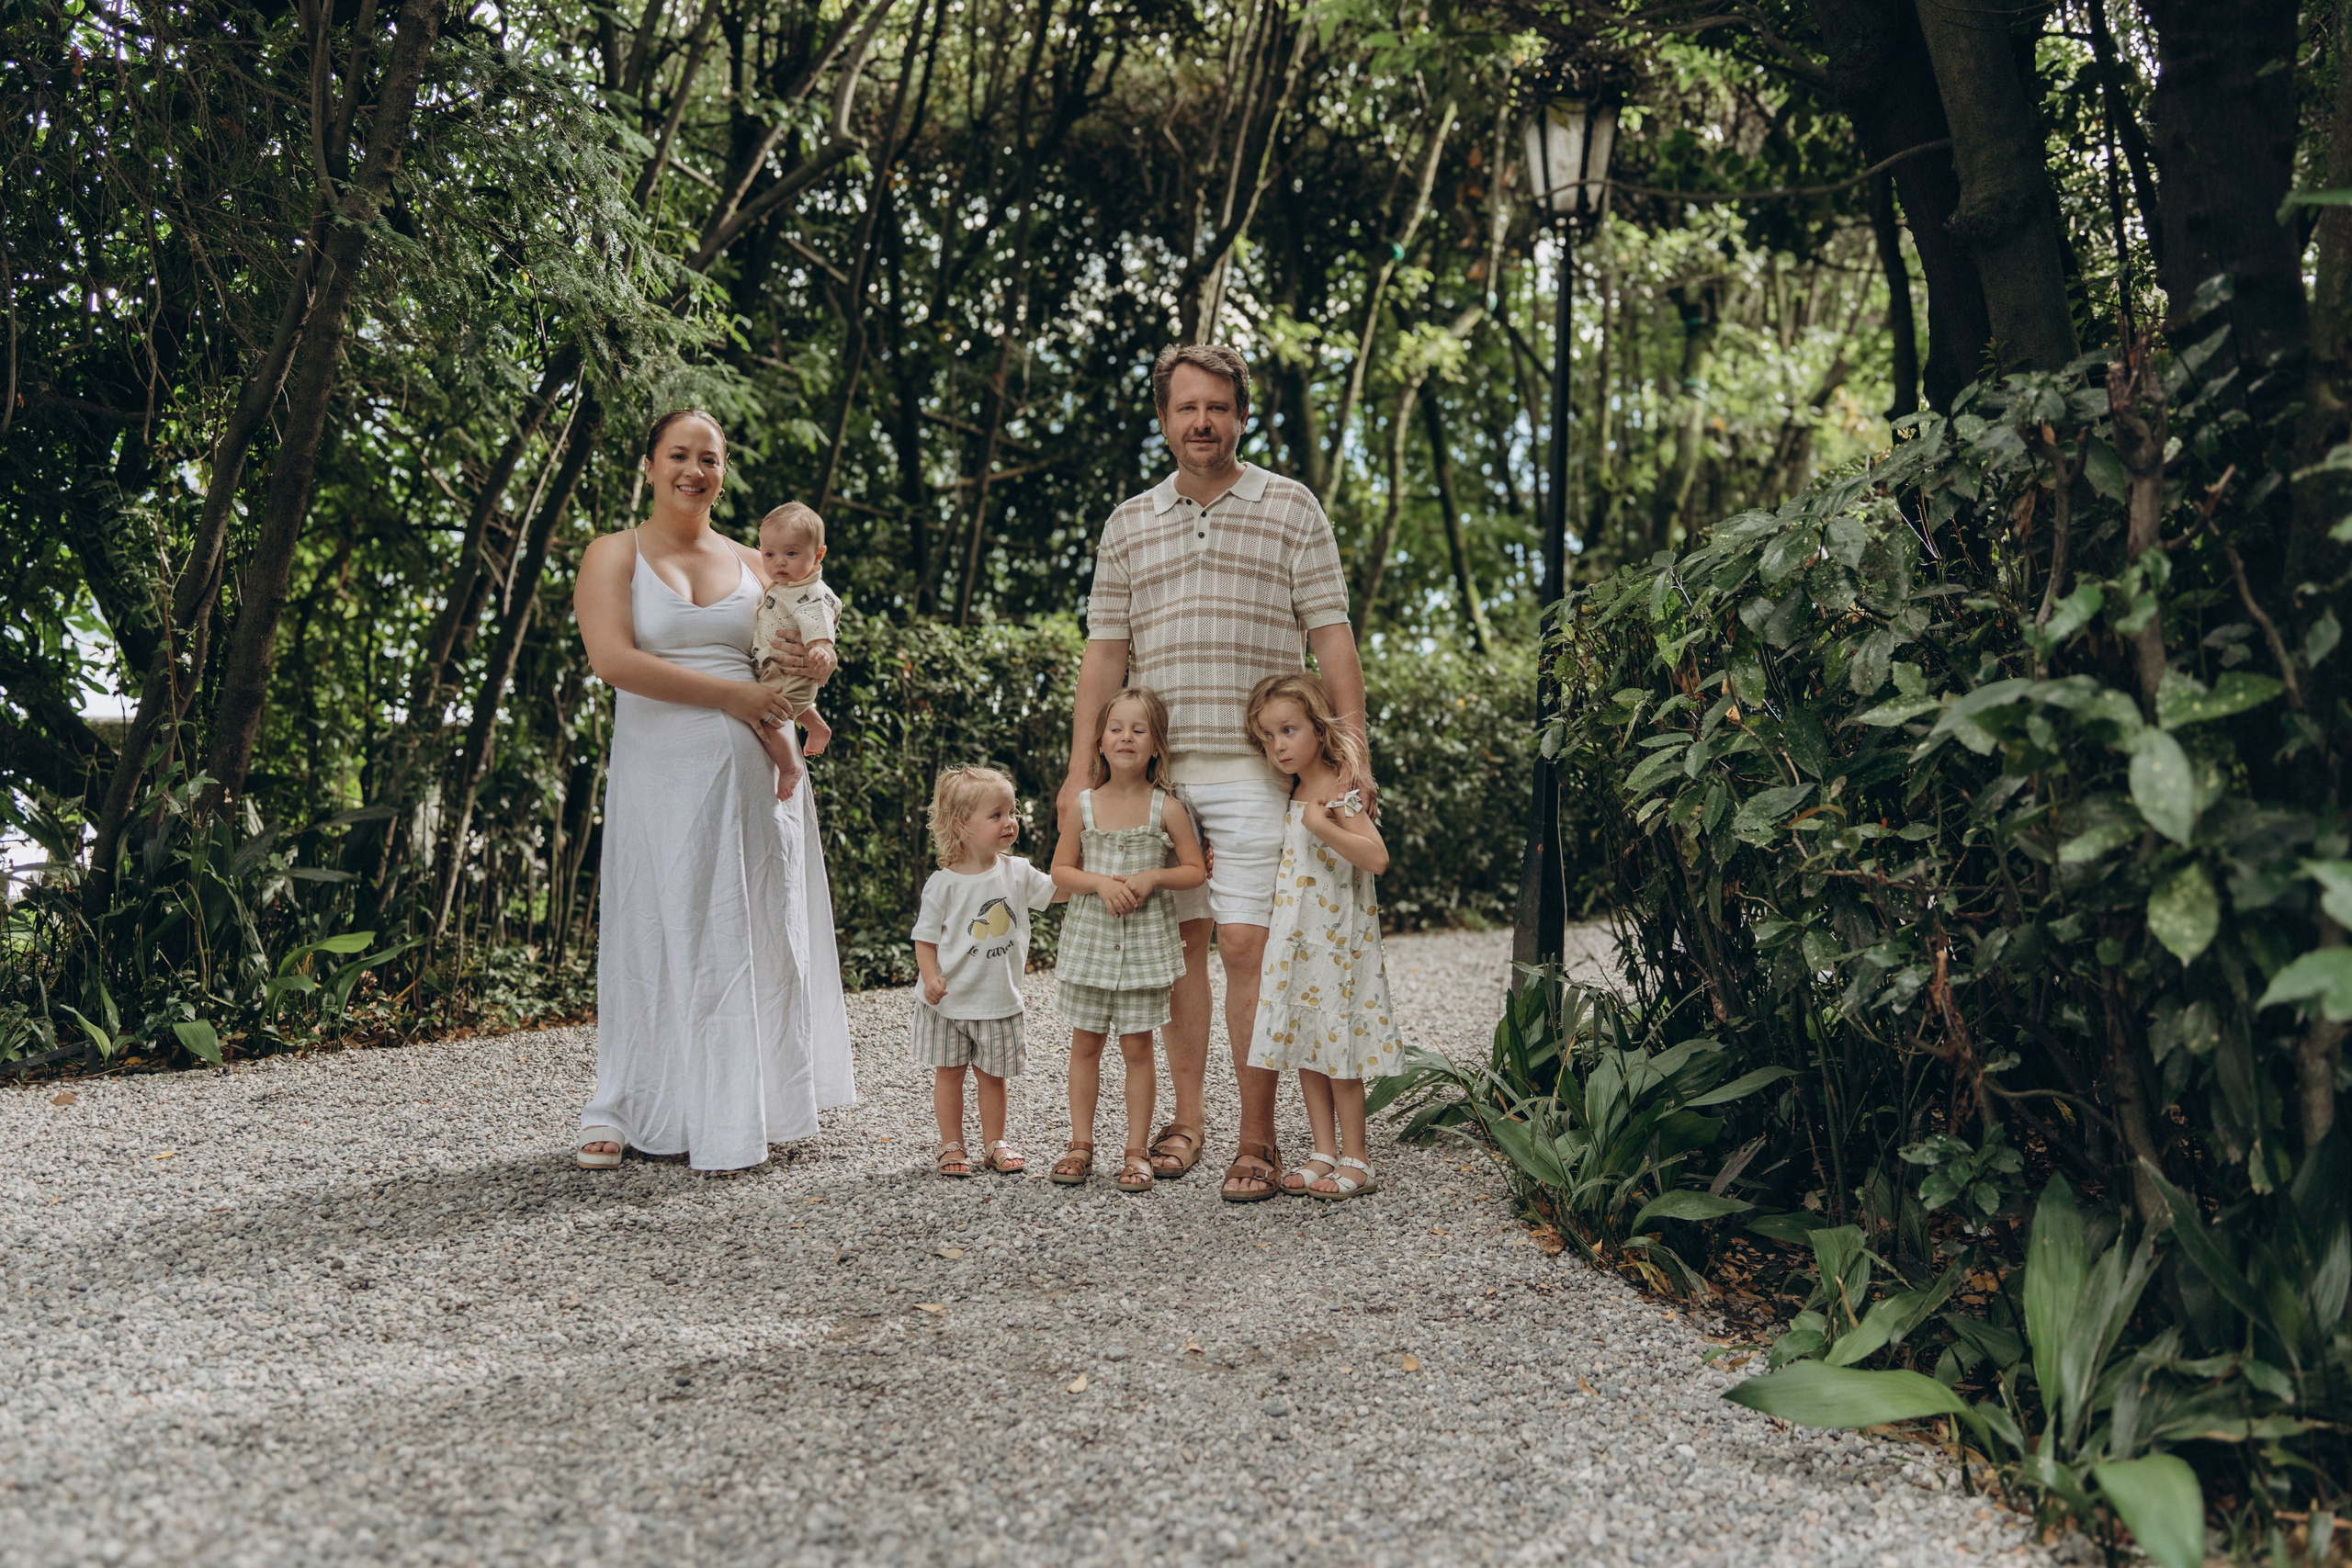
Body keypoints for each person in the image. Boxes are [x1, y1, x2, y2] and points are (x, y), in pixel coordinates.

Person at [1063, 344, 1375, 1202]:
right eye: (1185, 407)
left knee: (1248, 947)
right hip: (1155, 780)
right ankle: (1189, 1122)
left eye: (1218, 407)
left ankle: (1258, 1137)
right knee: (1178, 953)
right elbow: (1103, 655)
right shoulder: (1129, 522)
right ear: (1163, 419)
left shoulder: (1291, 507)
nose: (1202, 422)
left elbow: (1334, 640)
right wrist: (1075, 771)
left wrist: (1354, 754)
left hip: (1254, 773)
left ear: (1242, 415)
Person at [570, 410, 855, 1174]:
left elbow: (782, 657)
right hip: (660, 770)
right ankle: (626, 1103)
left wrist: (811, 695)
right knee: (657, 927)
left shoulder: (755, 560)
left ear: (724, 471)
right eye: (678, 455)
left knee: (748, 931)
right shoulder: (612, 554)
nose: (694, 470)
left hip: (755, 775)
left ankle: (744, 1107)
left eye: (710, 458)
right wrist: (728, 699)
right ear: (649, 464)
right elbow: (613, 661)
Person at [1241, 671, 1404, 1200]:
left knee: (1339, 1047)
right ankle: (1322, 1152)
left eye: (1288, 730)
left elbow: (1376, 858)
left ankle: (1357, 1157)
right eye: (1268, 736)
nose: (1278, 745)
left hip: (1336, 940)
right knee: (1309, 1043)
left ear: (1318, 727)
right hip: (1297, 938)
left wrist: (1324, 826)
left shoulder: (1339, 788)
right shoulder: (1292, 789)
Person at [1046, 687, 1206, 1191]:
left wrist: (1151, 879)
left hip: (1143, 949)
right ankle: (1080, 1144)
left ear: (1156, 744)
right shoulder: (1084, 806)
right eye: (1116, 728)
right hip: (1091, 944)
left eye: (1139, 730)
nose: (1126, 737)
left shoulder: (1167, 809)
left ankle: (1136, 1151)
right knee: (1086, 1045)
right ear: (1100, 741)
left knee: (1138, 1048)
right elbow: (1060, 871)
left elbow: (1195, 871)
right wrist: (1098, 883)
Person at [911, 765, 1063, 1179]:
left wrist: (1094, 872)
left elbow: (1058, 890)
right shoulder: (942, 884)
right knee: (950, 1075)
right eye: (996, 815)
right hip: (948, 1004)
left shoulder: (1016, 872)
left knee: (993, 1077)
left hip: (998, 1000)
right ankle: (951, 1145)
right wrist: (930, 978)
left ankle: (995, 1142)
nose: (1010, 821)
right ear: (961, 825)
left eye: (1012, 812)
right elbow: (924, 938)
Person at [749, 502, 840, 800]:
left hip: (791, 669)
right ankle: (817, 727)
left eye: (791, 553)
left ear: (818, 555)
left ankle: (788, 767)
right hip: (778, 668)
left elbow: (820, 627)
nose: (779, 563)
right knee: (787, 706)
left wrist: (822, 651)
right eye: (769, 554)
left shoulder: (810, 594)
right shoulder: (786, 585)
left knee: (768, 717)